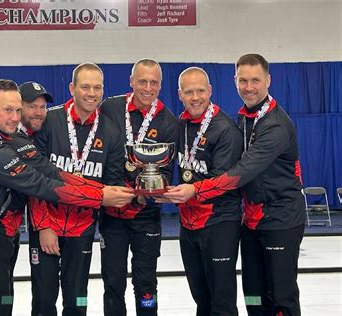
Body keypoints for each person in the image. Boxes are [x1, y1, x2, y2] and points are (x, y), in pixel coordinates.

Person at [0, 79, 135, 316]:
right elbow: (42, 185)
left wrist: (97, 189)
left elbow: (49, 170)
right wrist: (100, 197)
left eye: (17, 110)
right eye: (8, 110)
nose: (15, 117)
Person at [160, 54, 305, 316]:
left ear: (268, 80)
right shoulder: (246, 118)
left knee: (281, 297)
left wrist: (194, 190)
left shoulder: (276, 125)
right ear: (235, 82)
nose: (249, 87)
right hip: (251, 220)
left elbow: (239, 174)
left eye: (255, 80)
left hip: (280, 219)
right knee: (253, 297)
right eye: (243, 80)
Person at [30, 62, 125, 315]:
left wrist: (137, 194)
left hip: (82, 228)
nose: (91, 93)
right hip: (47, 226)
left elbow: (112, 183)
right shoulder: (49, 121)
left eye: (97, 87)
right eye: (85, 86)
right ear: (72, 88)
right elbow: (34, 180)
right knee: (43, 300)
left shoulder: (111, 131)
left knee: (77, 300)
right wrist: (43, 226)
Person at [99, 58, 179, 315]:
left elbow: (165, 171)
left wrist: (148, 195)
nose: (147, 87)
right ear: (131, 81)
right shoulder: (110, 107)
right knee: (113, 283)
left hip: (146, 215)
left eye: (153, 82)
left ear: (160, 85)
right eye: (142, 81)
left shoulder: (168, 121)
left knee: (146, 284)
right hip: (112, 213)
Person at [0, 81, 53, 316]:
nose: (38, 112)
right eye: (31, 106)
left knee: (4, 294)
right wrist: (99, 195)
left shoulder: (33, 136)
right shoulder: (3, 139)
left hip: (11, 230)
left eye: (42, 106)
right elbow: (43, 182)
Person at [173, 67, 243, 315]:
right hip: (188, 223)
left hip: (219, 221)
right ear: (180, 94)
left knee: (221, 300)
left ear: (210, 91)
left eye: (200, 90)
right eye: (189, 91)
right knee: (201, 298)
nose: (195, 97)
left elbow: (223, 181)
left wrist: (191, 191)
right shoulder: (179, 124)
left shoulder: (225, 129)